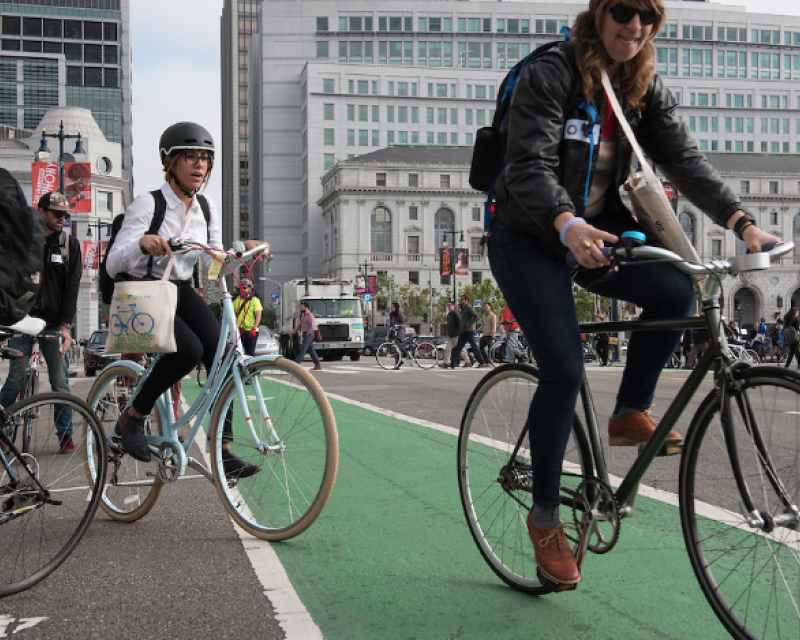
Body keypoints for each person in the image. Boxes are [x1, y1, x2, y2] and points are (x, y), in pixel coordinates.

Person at [486, 0, 779, 586]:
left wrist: (741, 220)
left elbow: (684, 161)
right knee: (564, 370)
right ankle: (545, 519)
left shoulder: (641, 85)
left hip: (599, 233)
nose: (635, 26)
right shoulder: (554, 71)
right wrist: (567, 224)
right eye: (624, 10)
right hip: (529, 235)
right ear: (599, 13)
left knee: (676, 292)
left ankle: (628, 413)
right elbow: (528, 165)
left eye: (649, 17)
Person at [105, 121, 267, 478]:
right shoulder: (149, 204)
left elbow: (211, 262)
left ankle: (223, 450)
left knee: (221, 354)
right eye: (190, 158)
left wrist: (242, 250)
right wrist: (140, 244)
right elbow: (113, 263)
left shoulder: (206, 208)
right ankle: (132, 419)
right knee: (188, 350)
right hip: (144, 289)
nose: (199, 166)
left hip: (178, 289)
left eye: (205, 159)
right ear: (170, 162)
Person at [0, 191, 81, 452]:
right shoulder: (25, 241)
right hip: (22, 319)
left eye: (66, 215)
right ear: (41, 211)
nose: (62, 218)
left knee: (59, 382)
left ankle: (65, 435)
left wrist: (67, 327)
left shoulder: (70, 244)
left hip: (55, 323)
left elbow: (72, 289)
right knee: (16, 378)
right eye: (57, 213)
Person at [451, 294, 487, 369]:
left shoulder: (469, 307)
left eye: (462, 299)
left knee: (474, 347)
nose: (461, 301)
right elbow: (463, 318)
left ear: (466, 300)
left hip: (468, 331)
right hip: (463, 332)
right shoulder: (463, 308)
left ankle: (482, 362)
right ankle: (453, 364)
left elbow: (476, 317)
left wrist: (469, 323)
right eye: (460, 299)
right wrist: (459, 312)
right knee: (458, 347)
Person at [233, 278, 262, 356]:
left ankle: (250, 368)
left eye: (244, 288)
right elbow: (233, 316)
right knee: (239, 353)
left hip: (251, 331)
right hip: (240, 331)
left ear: (249, 289)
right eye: (241, 288)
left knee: (250, 354)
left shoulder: (255, 301)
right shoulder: (236, 301)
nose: (242, 290)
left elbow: (258, 316)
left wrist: (254, 328)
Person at [291, 300, 322, 371]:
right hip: (305, 334)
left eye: (302, 307)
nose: (301, 308)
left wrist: (309, 332)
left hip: (309, 334)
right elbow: (300, 324)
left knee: (303, 349)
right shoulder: (303, 316)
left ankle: (296, 365)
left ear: (306, 308)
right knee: (311, 351)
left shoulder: (310, 315)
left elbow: (312, 324)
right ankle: (318, 365)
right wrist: (294, 330)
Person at [440, 301, 469, 368]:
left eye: (450, 305)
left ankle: (467, 362)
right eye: (447, 305)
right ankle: (445, 362)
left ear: (453, 306)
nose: (448, 307)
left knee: (461, 349)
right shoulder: (449, 315)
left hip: (456, 335)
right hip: (450, 335)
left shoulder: (456, 314)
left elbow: (460, 323)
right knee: (448, 349)